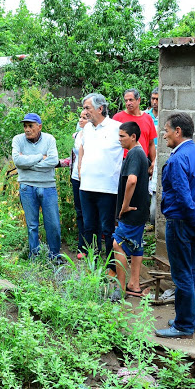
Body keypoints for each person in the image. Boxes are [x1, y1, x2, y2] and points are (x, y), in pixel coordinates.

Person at [155, 112, 195, 339]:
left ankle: (183, 326)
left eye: (166, 130)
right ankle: (187, 318)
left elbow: (183, 198)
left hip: (181, 222)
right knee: (190, 272)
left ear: (178, 132)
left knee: (182, 274)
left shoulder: (177, 159)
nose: (164, 135)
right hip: (194, 222)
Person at [78, 93, 122, 263]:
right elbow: (82, 148)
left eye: (87, 108)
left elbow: (134, 147)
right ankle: (93, 264)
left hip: (107, 188)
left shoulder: (116, 127)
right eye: (84, 108)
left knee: (108, 228)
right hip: (87, 187)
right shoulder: (87, 128)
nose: (84, 112)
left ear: (100, 108)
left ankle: (111, 266)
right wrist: (80, 168)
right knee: (89, 227)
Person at [11, 113, 61, 260]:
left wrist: (28, 164)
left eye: (30, 126)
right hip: (27, 186)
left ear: (39, 127)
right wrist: (40, 157)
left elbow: (53, 161)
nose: (27, 129)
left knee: (53, 224)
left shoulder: (49, 139)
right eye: (25, 126)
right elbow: (18, 161)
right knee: (32, 225)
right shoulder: (18, 140)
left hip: (47, 186)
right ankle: (35, 256)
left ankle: (54, 256)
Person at [111, 122, 150, 301]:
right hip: (141, 210)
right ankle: (134, 284)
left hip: (132, 211)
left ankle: (119, 288)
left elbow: (132, 180)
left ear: (133, 137)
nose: (119, 139)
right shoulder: (140, 152)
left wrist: (125, 205)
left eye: (122, 136)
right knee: (136, 244)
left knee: (117, 245)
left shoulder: (134, 153)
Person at [112, 89, 157, 177]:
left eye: (131, 100)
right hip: (122, 161)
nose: (128, 103)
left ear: (138, 100)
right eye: (126, 100)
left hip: (142, 161)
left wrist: (153, 161)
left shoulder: (148, 119)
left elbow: (151, 144)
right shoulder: (118, 118)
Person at [70, 113, 89, 259]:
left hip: (90, 178)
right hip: (76, 177)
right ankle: (81, 246)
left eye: (85, 118)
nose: (81, 120)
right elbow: (73, 156)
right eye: (80, 117)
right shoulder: (77, 135)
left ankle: (92, 245)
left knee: (91, 213)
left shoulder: (95, 135)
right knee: (80, 212)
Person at [144, 88, 159, 225]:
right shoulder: (146, 116)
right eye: (153, 98)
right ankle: (148, 220)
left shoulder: (166, 117)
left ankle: (154, 222)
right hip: (146, 156)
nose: (154, 102)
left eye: (157, 99)